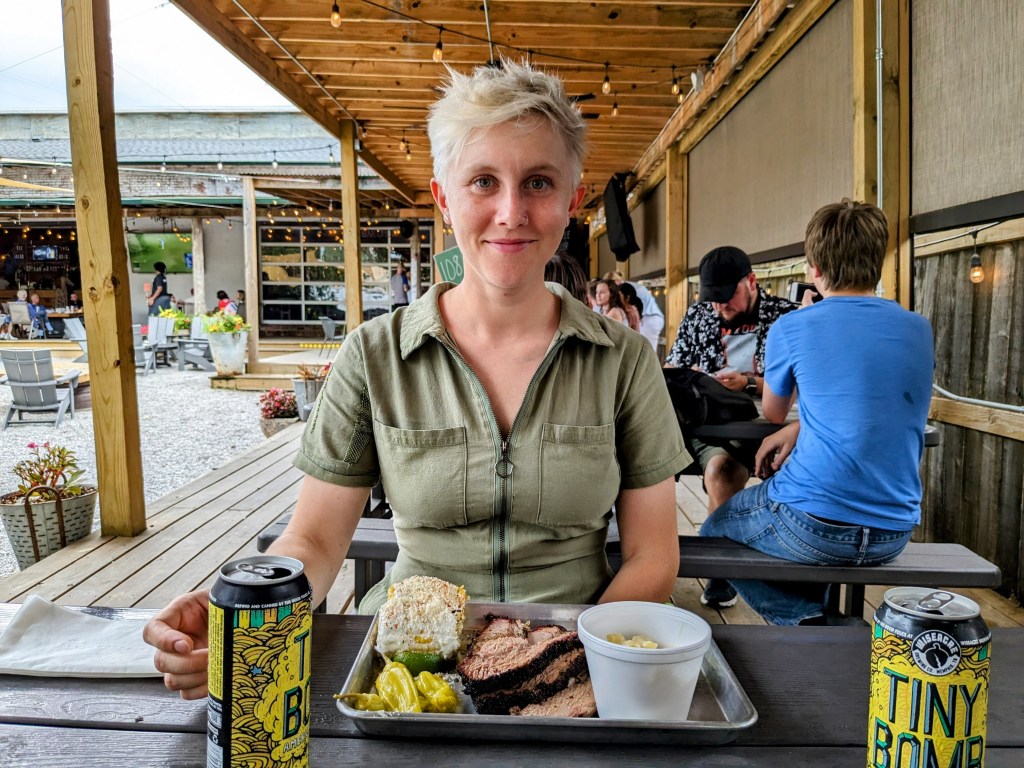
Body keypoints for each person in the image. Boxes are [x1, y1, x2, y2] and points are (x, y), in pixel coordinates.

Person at [144, 59, 690, 699]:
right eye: (482, 181)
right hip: (404, 662)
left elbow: (654, 555)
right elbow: (315, 538)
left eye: (538, 183)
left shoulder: (624, 359)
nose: (510, 211)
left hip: (576, 657)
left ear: (572, 200)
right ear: (443, 198)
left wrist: (562, 661)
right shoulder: (374, 356)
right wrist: (250, 616)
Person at [700, 199, 935, 625]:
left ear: (815, 269)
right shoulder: (918, 328)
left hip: (814, 524)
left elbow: (774, 412)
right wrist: (803, 428)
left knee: (714, 529)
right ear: (878, 263)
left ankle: (803, 618)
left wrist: (804, 322)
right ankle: (820, 623)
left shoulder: (793, 326)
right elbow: (871, 404)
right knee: (806, 531)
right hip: (894, 530)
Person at [664, 246, 796, 609]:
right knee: (722, 471)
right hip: (713, 424)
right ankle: (720, 569)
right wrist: (697, 380)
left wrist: (749, 384)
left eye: (727, 296)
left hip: (776, 427)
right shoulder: (699, 316)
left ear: (751, 281)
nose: (720, 306)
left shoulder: (785, 317)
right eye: (713, 298)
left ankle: (790, 575)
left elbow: (802, 382)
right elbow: (674, 368)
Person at [604, 270, 665, 352]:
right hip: (647, 317)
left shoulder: (630, 289)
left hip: (650, 317)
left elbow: (632, 309)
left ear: (617, 281)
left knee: (647, 349)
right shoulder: (627, 288)